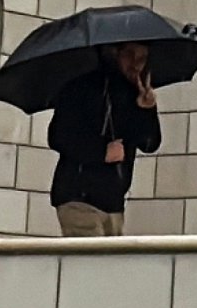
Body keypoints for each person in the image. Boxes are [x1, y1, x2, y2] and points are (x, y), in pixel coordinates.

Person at [47, 41, 160, 236]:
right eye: (130, 55)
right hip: (79, 197)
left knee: (108, 264)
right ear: (115, 53)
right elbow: (58, 136)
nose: (135, 64)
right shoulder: (81, 88)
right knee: (90, 262)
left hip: (114, 202)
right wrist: (101, 152)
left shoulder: (134, 94)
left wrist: (148, 110)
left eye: (141, 59)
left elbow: (150, 144)